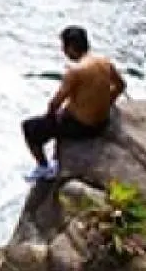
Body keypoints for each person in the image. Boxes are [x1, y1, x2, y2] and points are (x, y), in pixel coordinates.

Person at [21, 26, 127, 182]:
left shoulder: (75, 71)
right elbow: (120, 85)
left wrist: (49, 118)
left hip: (84, 128)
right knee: (64, 114)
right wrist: (106, 103)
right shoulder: (104, 62)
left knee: (29, 127)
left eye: (64, 47)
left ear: (70, 47)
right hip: (103, 122)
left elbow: (55, 102)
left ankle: (44, 168)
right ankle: (57, 159)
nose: (63, 51)